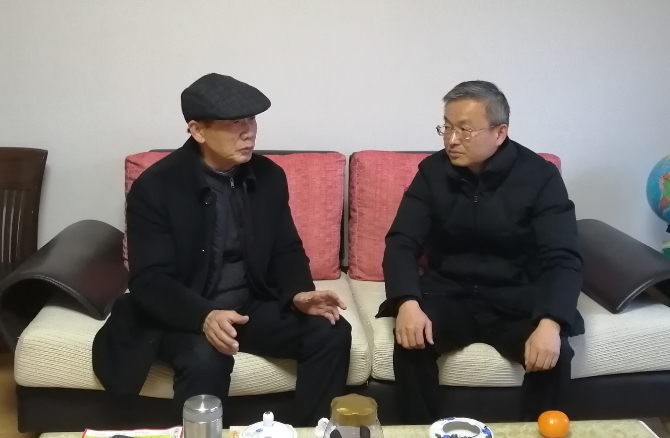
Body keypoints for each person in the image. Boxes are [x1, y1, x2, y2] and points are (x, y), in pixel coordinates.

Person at [93, 73, 352, 426]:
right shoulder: (156, 188)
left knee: (331, 330)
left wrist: (299, 294)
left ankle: (309, 432)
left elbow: (287, 249)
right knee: (206, 357)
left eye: (251, 120)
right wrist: (205, 316)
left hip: (248, 305)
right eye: (234, 124)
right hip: (184, 312)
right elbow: (150, 281)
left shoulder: (269, 176)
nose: (249, 133)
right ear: (198, 131)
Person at [379, 80, 583, 423]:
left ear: (499, 133)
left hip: (516, 299)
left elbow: (563, 257)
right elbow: (402, 242)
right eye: (446, 127)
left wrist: (551, 323)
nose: (451, 139)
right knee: (411, 342)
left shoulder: (539, 176)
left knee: (554, 355)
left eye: (464, 130)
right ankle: (421, 430)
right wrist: (407, 304)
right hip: (449, 293)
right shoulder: (432, 173)